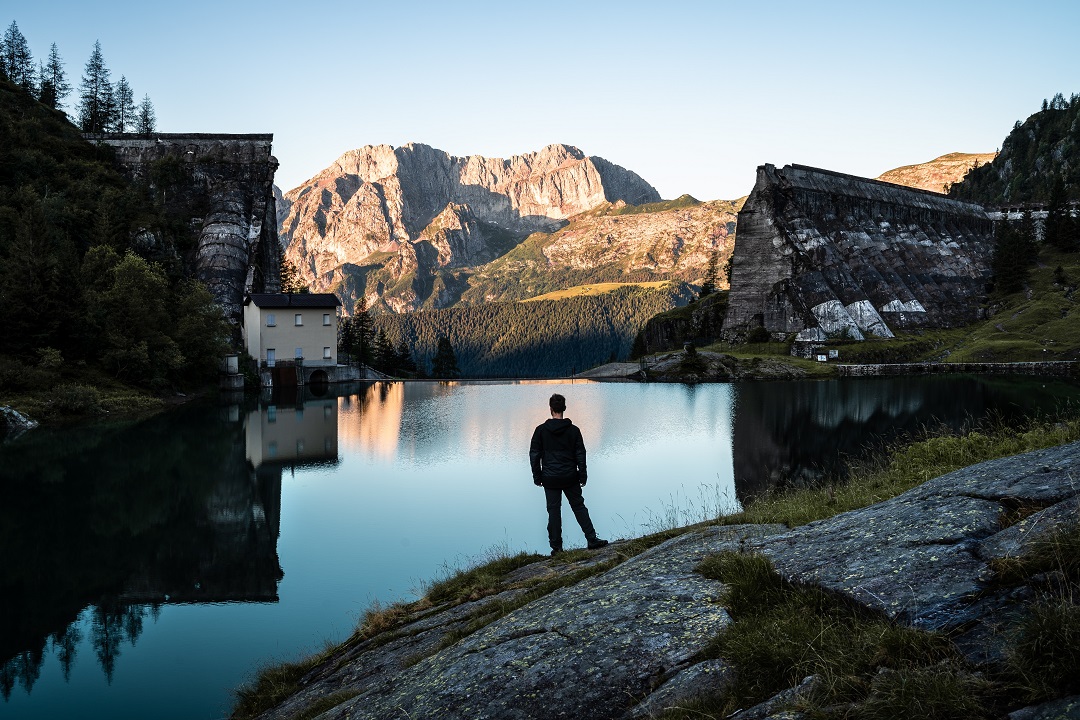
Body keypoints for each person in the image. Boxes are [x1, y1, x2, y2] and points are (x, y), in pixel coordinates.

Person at [529, 393, 608, 555]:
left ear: (550, 409)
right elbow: (581, 454)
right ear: (564, 408)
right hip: (570, 476)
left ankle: (557, 548)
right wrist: (583, 475)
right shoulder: (573, 431)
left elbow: (534, 455)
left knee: (554, 511)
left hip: (550, 478)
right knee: (579, 506)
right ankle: (592, 539)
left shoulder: (541, 431)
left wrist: (537, 476)